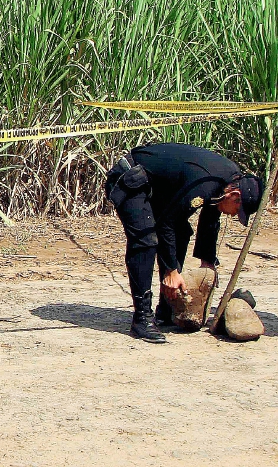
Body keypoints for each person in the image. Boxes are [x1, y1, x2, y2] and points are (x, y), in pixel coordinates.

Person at [105, 143, 263, 343]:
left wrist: (207, 262)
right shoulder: (207, 184)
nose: (233, 215)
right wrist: (171, 270)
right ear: (235, 196)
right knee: (145, 240)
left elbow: (210, 218)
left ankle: (166, 308)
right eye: (237, 211)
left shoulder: (227, 181)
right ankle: (142, 319)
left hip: (156, 186)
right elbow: (166, 225)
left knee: (181, 232)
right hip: (130, 179)